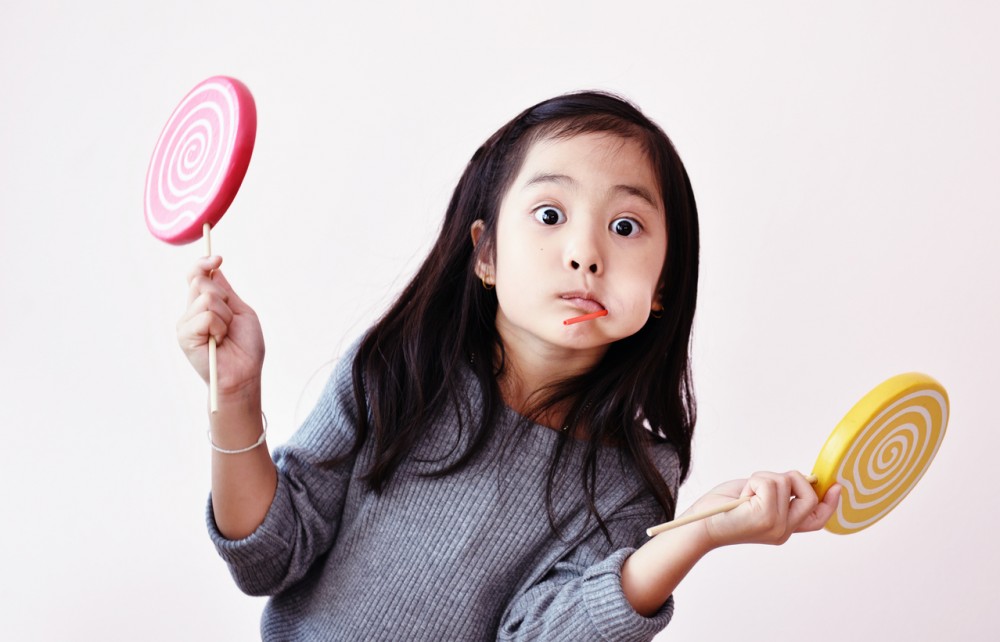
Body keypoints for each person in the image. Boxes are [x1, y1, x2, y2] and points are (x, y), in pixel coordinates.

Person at [177, 91, 842, 641]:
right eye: (550, 214)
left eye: (626, 226)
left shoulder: (631, 477)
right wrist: (234, 394)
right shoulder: (396, 371)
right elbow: (267, 558)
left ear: (663, 286)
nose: (585, 253)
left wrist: (695, 537)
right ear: (486, 253)